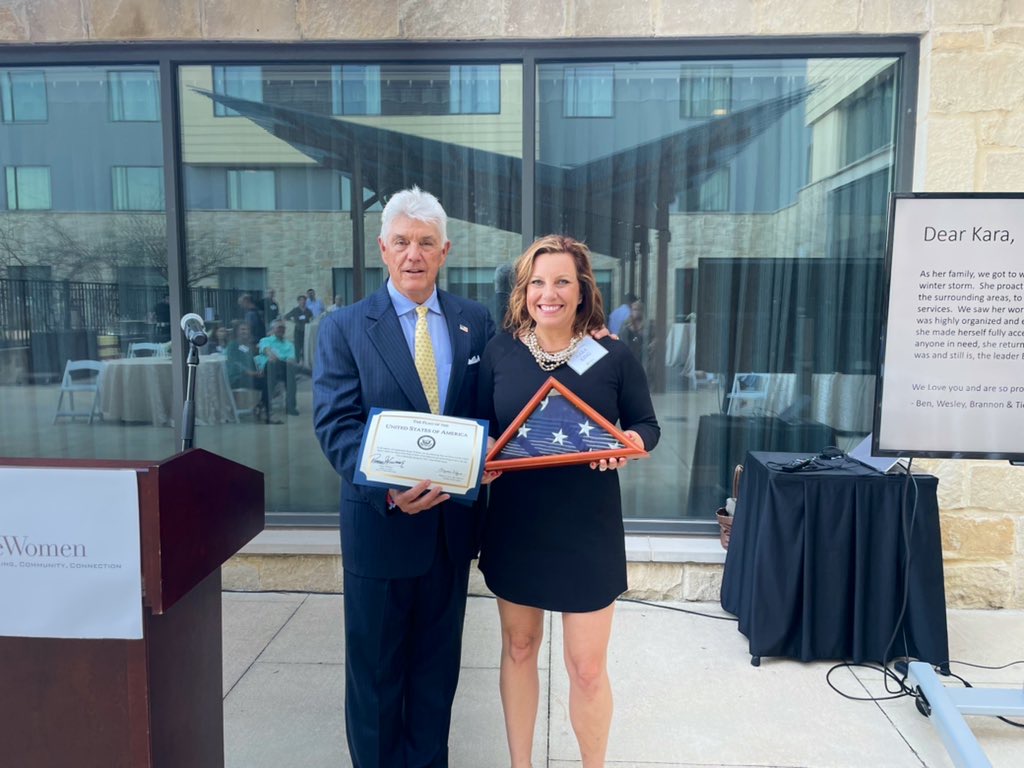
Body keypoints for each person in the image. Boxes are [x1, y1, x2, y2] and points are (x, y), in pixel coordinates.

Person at [312, 186, 496, 768]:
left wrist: (588, 339)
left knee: (436, 676)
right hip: (380, 528)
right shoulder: (344, 327)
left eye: (425, 242)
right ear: (382, 248)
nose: (413, 254)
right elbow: (336, 424)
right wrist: (387, 490)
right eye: (401, 242)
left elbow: (495, 403)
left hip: (449, 532)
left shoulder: (475, 322)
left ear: (445, 250)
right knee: (375, 678)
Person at [477, 235, 660, 768]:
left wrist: (629, 444)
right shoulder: (500, 351)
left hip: (587, 529)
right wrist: (483, 450)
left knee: (586, 668)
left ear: (582, 291)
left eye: (561, 282)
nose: (548, 293)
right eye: (537, 282)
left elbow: (646, 424)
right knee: (519, 648)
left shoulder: (611, 354)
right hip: (517, 525)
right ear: (523, 291)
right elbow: (480, 426)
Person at [226, 322, 276, 423]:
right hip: (237, 378)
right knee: (266, 384)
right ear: (237, 331)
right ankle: (266, 412)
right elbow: (234, 363)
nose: (245, 331)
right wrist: (250, 373)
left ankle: (261, 406)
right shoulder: (232, 345)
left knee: (269, 380)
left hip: (250, 376)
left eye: (247, 329)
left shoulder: (248, 346)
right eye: (242, 329)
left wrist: (258, 371)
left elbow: (252, 363)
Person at [256, 318, 300, 417]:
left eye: (283, 328)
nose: (282, 330)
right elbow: (268, 353)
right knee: (272, 364)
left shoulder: (289, 344)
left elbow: (291, 359)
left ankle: (290, 406)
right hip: (267, 368)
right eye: (279, 327)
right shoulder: (265, 340)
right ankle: (266, 404)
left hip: (284, 369)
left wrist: (285, 361)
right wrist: (275, 357)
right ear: (272, 329)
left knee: (290, 370)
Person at [284, 294, 314, 364]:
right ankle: (297, 362)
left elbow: (312, 318)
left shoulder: (308, 311)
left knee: (305, 347)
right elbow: (286, 316)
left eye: (304, 300)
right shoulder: (295, 310)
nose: (302, 302)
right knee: (297, 347)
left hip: (306, 331)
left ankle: (305, 362)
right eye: (301, 300)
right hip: (298, 330)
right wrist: (293, 321)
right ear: (298, 301)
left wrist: (310, 323)